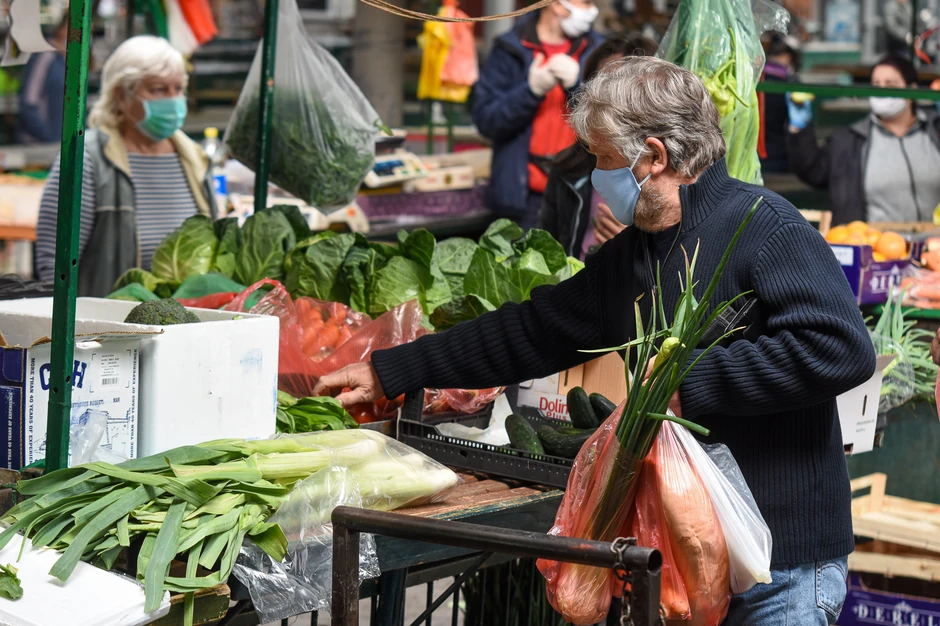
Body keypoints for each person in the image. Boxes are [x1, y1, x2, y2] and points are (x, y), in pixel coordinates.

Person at [317, 56, 876, 625]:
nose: (596, 175)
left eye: (605, 159)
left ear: (653, 157)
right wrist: (393, 370)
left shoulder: (765, 225)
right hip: (687, 564)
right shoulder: (631, 257)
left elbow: (840, 348)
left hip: (781, 566)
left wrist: (688, 384)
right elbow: (532, 329)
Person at [36, 35, 218, 297]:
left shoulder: (196, 159)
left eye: (179, 89)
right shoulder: (88, 159)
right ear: (121, 95)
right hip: (107, 319)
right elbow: (55, 262)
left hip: (190, 317)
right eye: (158, 89)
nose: (173, 99)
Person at [472, 1, 603, 229]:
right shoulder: (509, 49)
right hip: (522, 198)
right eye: (585, 1)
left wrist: (578, 87)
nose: (591, 8)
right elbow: (487, 122)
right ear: (556, 5)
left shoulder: (598, 51)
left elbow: (610, 124)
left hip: (581, 193)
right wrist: (530, 91)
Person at [539, 33, 655, 258]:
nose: (603, 101)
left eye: (616, 89)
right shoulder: (568, 169)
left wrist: (636, 245)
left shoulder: (670, 180)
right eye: (596, 88)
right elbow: (546, 252)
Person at [786, 55, 940, 226]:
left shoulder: (934, 131)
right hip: (873, 240)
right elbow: (813, 171)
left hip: (934, 239)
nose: (881, 91)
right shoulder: (849, 140)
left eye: (890, 84)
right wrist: (799, 129)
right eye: (876, 84)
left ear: (912, 89)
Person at [17, 16, 68, 144]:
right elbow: (29, 101)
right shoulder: (46, 56)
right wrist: (46, 135)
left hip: (58, 142)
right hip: (39, 143)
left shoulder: (66, 60)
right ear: (59, 30)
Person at [759, 32, 800, 173]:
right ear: (788, 57)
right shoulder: (791, 85)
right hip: (782, 159)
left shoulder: (754, 81)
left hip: (755, 157)